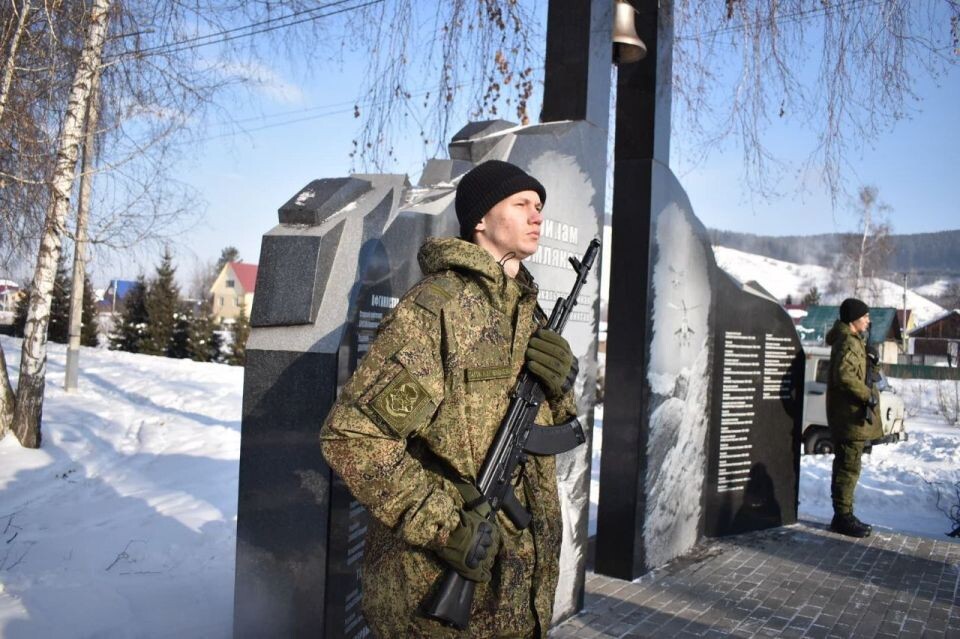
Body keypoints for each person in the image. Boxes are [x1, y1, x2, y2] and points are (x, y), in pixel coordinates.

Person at [320, 160, 579, 638]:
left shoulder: (530, 314)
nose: (536, 214)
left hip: (517, 598)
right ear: (480, 219)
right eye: (521, 203)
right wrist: (445, 525)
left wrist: (562, 389)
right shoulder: (438, 309)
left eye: (539, 205)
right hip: (435, 597)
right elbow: (353, 438)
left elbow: (549, 424)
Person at [825, 297, 881, 538]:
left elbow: (863, 374)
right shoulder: (848, 342)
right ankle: (843, 517)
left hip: (851, 417)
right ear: (854, 319)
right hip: (849, 417)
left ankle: (844, 513)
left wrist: (873, 362)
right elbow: (845, 377)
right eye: (865, 316)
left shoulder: (854, 342)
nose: (868, 320)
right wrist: (868, 395)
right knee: (848, 467)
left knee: (848, 465)